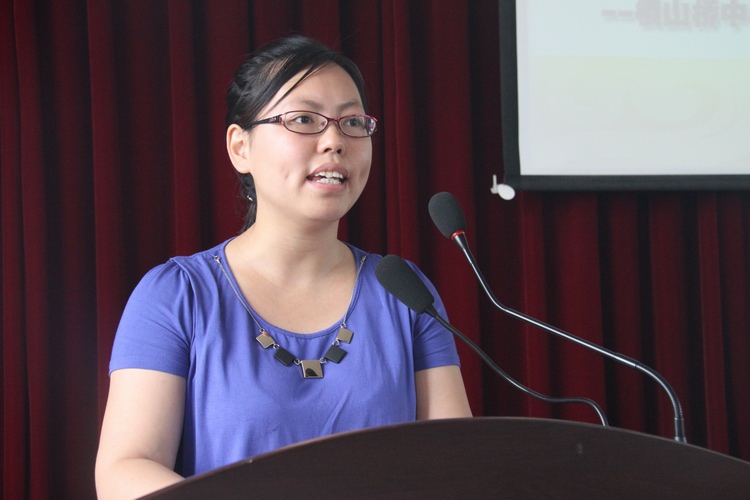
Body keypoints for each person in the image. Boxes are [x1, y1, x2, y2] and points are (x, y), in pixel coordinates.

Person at [95, 35, 471, 499]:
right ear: (241, 148)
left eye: (353, 122)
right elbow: (125, 471)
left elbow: (457, 467)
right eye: (304, 120)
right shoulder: (177, 295)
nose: (334, 141)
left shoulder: (404, 293)